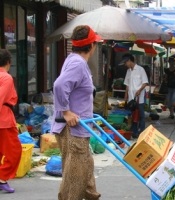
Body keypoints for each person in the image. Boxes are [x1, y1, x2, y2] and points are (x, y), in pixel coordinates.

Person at [51, 25, 102, 200]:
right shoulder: (78, 63)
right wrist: (66, 111)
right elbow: (59, 85)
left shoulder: (74, 60)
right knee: (74, 180)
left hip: (79, 129)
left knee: (86, 171)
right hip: (74, 130)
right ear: (92, 45)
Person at [0, 49, 22, 193]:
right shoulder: (6, 78)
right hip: (4, 119)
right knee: (14, 151)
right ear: (9, 62)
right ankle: (1, 178)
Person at [120, 53, 148, 138]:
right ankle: (134, 132)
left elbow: (145, 83)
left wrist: (139, 90)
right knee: (132, 115)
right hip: (131, 98)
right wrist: (125, 96)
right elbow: (127, 84)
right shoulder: (128, 71)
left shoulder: (140, 69)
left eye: (125, 63)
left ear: (129, 61)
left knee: (141, 115)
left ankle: (141, 131)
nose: (125, 65)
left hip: (139, 98)